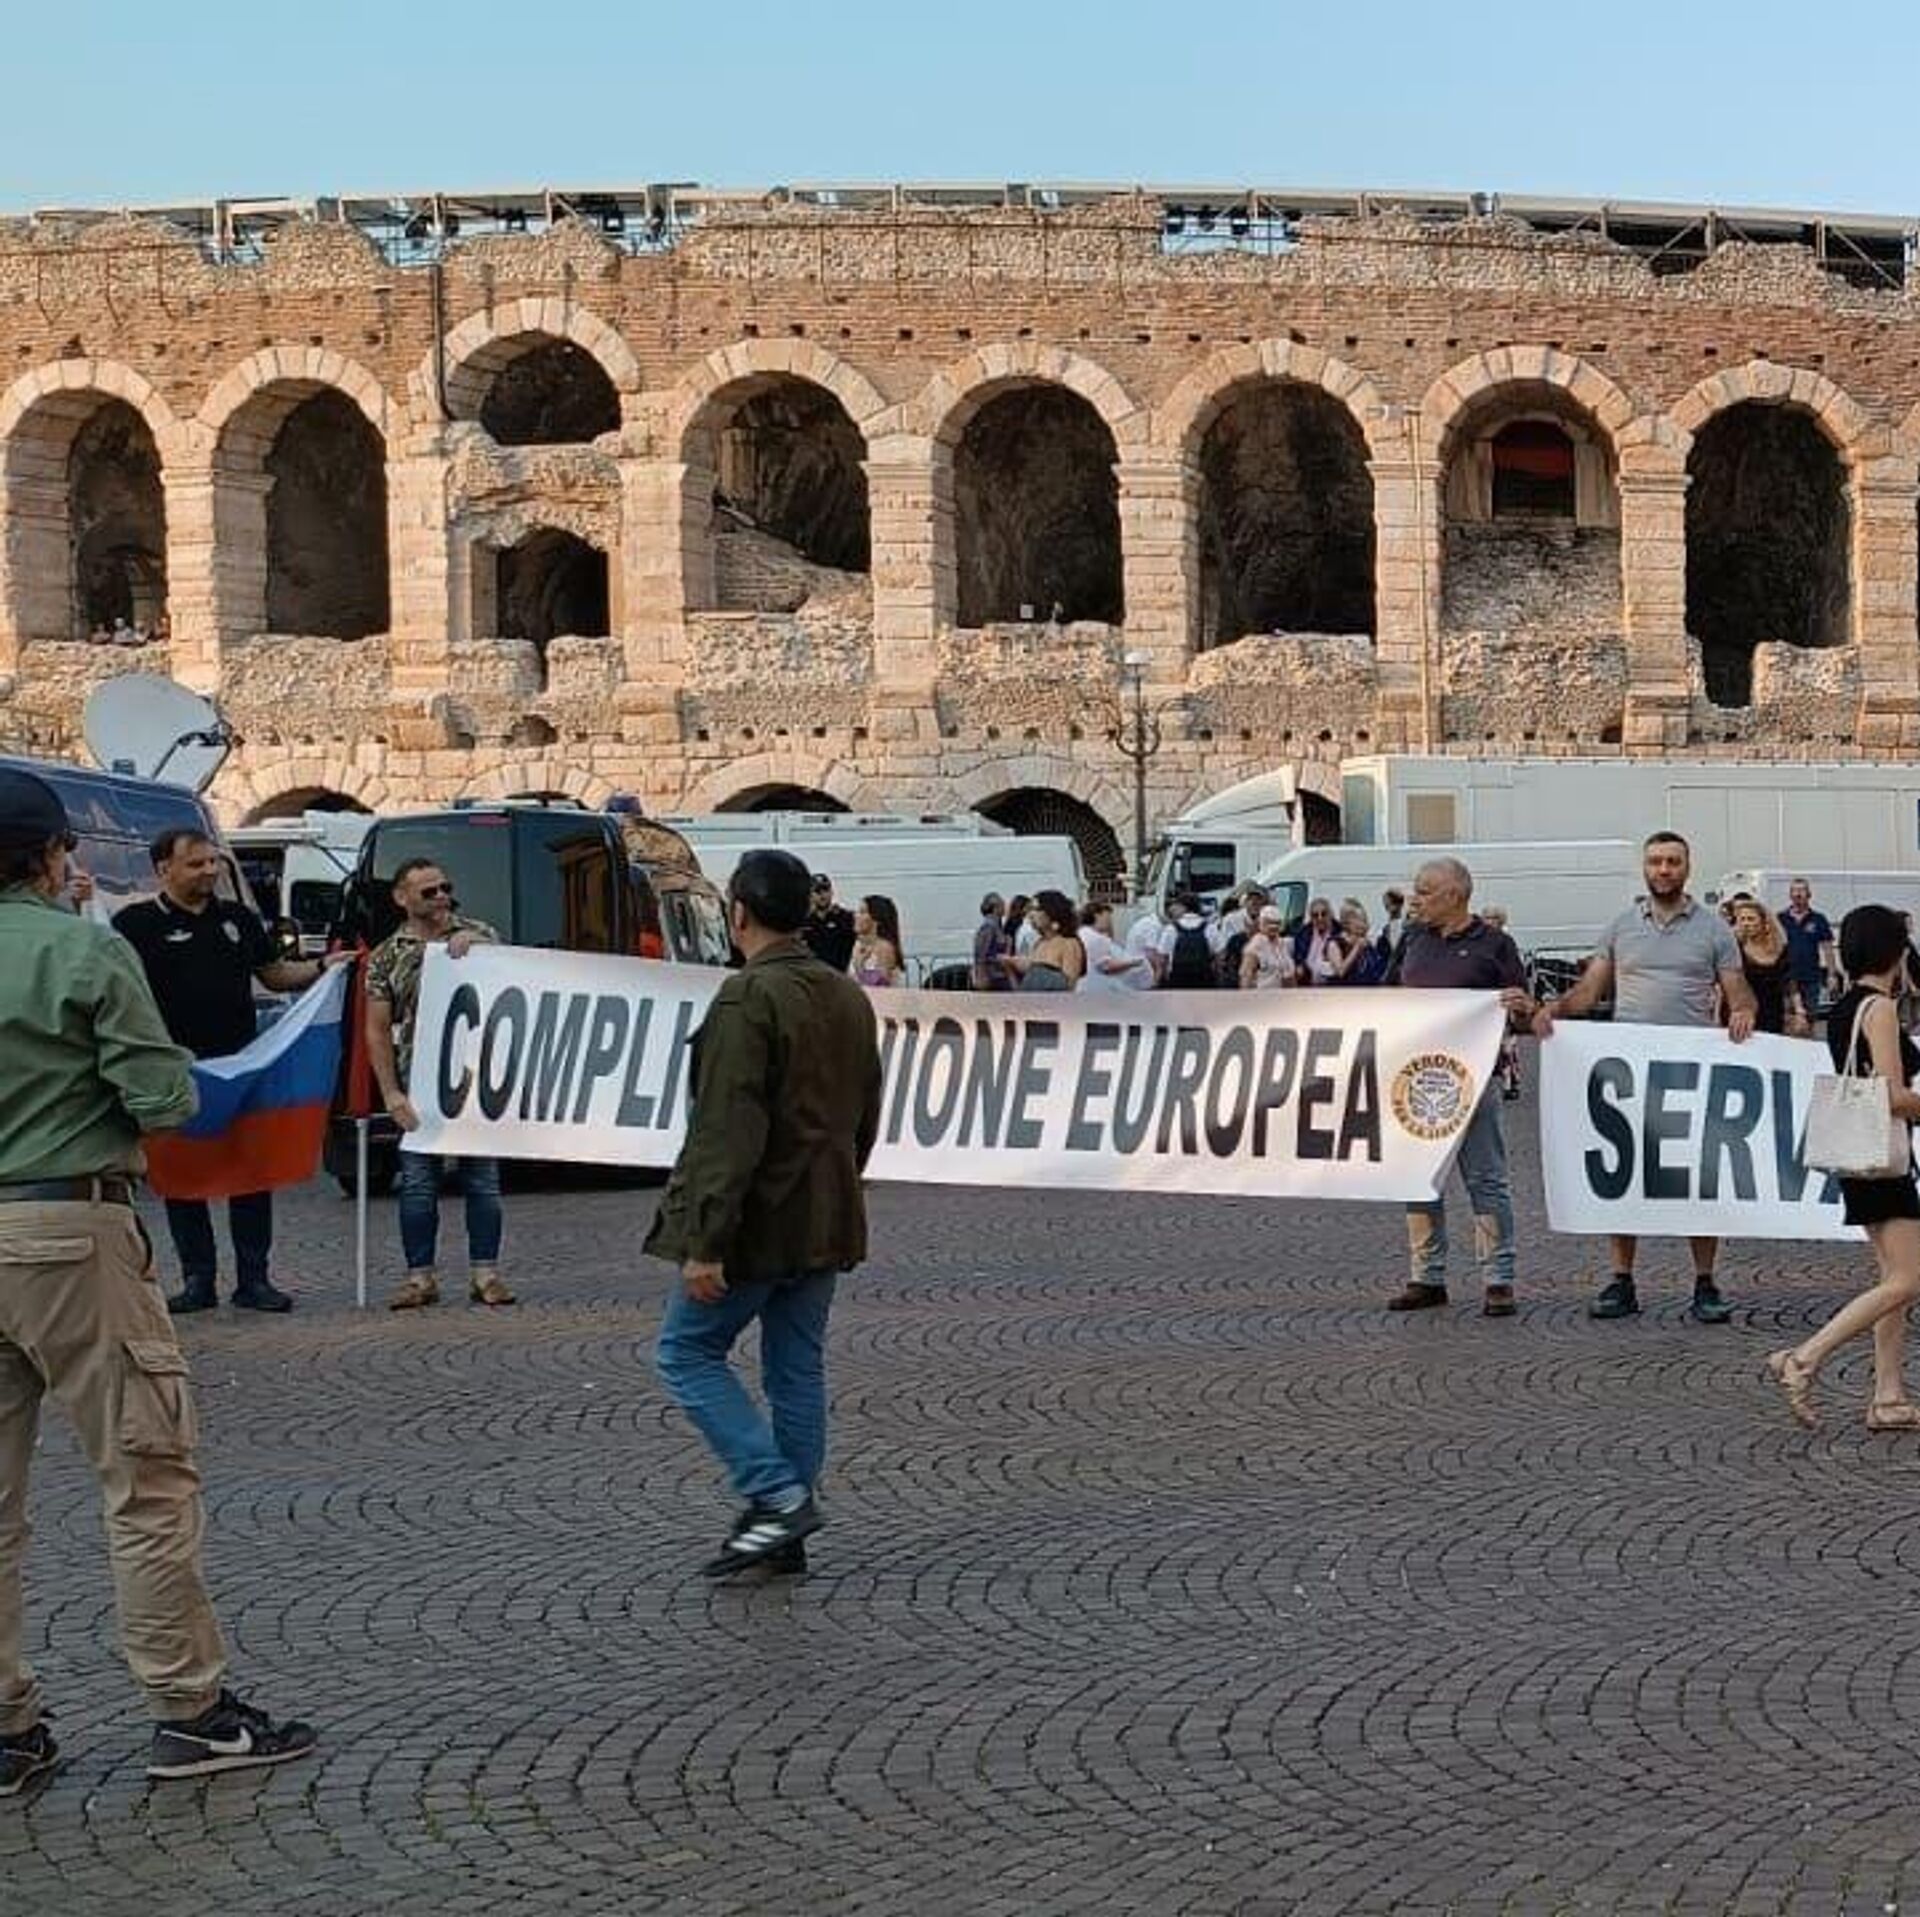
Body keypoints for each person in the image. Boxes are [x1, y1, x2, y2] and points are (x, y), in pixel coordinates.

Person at [0, 768, 315, 1793]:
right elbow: (159, 1095)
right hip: (68, 1228)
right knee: (144, 1479)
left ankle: (8, 1732)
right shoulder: (84, 948)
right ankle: (188, 1711)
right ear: (53, 857)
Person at [651, 849, 883, 1577]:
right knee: (797, 1370)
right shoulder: (848, 995)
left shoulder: (747, 997)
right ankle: (789, 1527)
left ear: (739, 912)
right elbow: (866, 1114)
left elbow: (726, 1127)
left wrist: (705, 1239)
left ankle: (776, 1493)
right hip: (828, 1209)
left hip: (760, 1217)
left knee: (685, 1352)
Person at [112, 828, 344, 1315]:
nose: (210, 871)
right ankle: (198, 1280)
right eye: (196, 864)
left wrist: (324, 967)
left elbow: (273, 974)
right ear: (164, 870)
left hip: (242, 1069)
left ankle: (253, 1279)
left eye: (213, 862)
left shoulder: (238, 919)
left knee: (251, 1173)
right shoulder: (134, 924)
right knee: (182, 1175)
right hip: (177, 1071)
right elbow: (117, 989)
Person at [1533, 831, 1756, 1323]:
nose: (1663, 870)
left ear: (1687, 868)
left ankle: (1704, 1280)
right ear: (1645, 868)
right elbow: (1590, 992)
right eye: (1655, 862)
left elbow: (1739, 992)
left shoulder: (1715, 931)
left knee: (1697, 1179)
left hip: (1690, 1068)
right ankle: (1621, 1279)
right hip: (1629, 1069)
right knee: (1624, 1171)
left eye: (1672, 862)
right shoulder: (1620, 927)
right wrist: (1556, 1009)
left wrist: (1742, 1012)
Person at [1767, 905, 1920, 1431]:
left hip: (1865, 1159)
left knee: (1894, 1279)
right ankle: (1805, 1357)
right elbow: (1893, 1096)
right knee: (1907, 1280)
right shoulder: (1878, 1009)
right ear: (1895, 950)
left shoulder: (1846, 1006)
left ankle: (1888, 1396)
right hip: (1883, 1160)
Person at [1385, 858, 1535, 1318]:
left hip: (1474, 1081)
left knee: (1486, 1180)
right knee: (1419, 1180)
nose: (1416, 898)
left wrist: (1521, 1006)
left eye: (1425, 891)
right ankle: (1426, 1277)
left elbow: (1527, 1012)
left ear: (1455, 895)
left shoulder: (1495, 945)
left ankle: (1498, 1278)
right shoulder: (1410, 939)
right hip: (1415, 1079)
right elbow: (1386, 995)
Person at [365, 859, 513, 1311]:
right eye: (428, 891)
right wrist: (390, 1093)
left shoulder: (480, 933)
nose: (441, 897)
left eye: (445, 887)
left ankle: (485, 1273)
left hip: (475, 1082)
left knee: (483, 1182)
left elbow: (514, 982)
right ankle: (419, 1277)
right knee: (417, 1186)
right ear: (402, 898)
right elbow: (377, 1029)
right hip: (418, 1085)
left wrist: (482, 948)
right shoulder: (387, 956)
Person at [1728, 895, 1807, 1037]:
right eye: (1742, 919)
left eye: (1751, 919)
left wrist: (1799, 1010)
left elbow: (1790, 982)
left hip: (1773, 1013)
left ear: (1764, 922)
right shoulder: (1734, 950)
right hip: (1742, 1015)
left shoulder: (1780, 950)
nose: (1746, 923)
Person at [1779, 878, 1838, 1016]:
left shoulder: (1818, 919)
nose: (1798, 894)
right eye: (1794, 890)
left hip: (1811, 978)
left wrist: (1832, 975)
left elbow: (1828, 949)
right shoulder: (1781, 918)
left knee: (1810, 1017)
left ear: (1809, 894)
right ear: (1790, 895)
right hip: (1787, 978)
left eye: (1802, 890)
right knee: (1787, 1019)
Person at [1005, 891, 1085, 991]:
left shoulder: (1069, 944)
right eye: (1030, 909)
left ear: (1052, 912)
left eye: (1036, 909)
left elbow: (1069, 987)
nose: (1030, 915)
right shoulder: (1040, 943)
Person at [1077, 899, 1149, 992]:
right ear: (1097, 915)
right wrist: (1134, 963)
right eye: (1107, 917)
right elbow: (1106, 967)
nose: (1109, 922)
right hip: (1098, 989)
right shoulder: (1096, 938)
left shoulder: (1082, 933)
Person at [799, 873, 856, 975]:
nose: (822, 895)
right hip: (813, 976)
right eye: (817, 891)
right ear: (810, 894)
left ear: (831, 892)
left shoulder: (845, 918)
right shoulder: (804, 921)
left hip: (839, 975)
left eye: (825, 890)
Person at [1157, 892, 1214, 991]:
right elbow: (1220, 955)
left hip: (1178, 978)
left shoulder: (1171, 928)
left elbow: (1162, 958)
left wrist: (1162, 977)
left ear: (1183, 907)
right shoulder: (1209, 927)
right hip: (1204, 978)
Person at [849, 895, 904, 987]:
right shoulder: (858, 945)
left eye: (862, 912)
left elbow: (880, 986)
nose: (856, 915)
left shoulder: (884, 948)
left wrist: (859, 966)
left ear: (876, 919)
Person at [1238, 905, 1295, 990]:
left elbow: (1289, 975)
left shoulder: (1283, 944)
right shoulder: (1254, 946)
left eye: (1277, 923)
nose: (1274, 926)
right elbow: (1246, 978)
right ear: (1261, 924)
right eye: (1269, 922)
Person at [1332, 900, 1388, 984]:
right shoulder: (1335, 943)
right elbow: (1340, 972)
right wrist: (1357, 948)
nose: (1364, 924)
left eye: (1365, 920)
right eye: (1360, 920)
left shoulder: (1368, 943)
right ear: (1346, 923)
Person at [1292, 897, 1343, 985]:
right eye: (1315, 915)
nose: (1320, 918)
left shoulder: (1340, 932)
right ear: (1311, 917)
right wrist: (1299, 967)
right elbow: (1298, 959)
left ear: (1331, 914)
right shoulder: (1302, 934)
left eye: (1324, 914)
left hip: (1333, 985)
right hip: (1308, 985)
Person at [1124, 894, 1168, 987]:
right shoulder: (1154, 926)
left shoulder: (1148, 921)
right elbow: (1151, 954)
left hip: (1135, 966)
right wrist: (1160, 971)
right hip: (1141, 970)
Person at [972, 891, 1011, 991]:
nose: (1005, 908)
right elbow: (981, 953)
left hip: (998, 975)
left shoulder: (997, 926)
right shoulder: (988, 927)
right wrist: (981, 976)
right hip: (992, 976)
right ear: (995, 908)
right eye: (1002, 905)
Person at [1376, 888, 1410, 963]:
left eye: (1389, 903)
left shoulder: (1407, 924)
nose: (1386, 906)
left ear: (1399, 904)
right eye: (1385, 904)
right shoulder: (1386, 929)